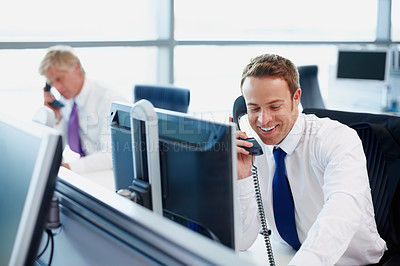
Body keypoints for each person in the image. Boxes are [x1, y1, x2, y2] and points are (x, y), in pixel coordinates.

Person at [235, 53, 387, 265]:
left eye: (274, 106)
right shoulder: (256, 149)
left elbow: (341, 211)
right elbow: (243, 240)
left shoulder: (336, 139)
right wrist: (242, 178)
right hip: (289, 256)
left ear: (296, 98)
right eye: (254, 108)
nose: (263, 119)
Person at [39, 45, 127, 173]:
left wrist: (68, 168)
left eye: (59, 79)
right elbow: (57, 148)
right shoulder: (66, 101)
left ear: (76, 68)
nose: (57, 87)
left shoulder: (109, 100)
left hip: (111, 174)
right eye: (52, 83)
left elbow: (111, 155)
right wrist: (56, 118)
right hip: (90, 171)